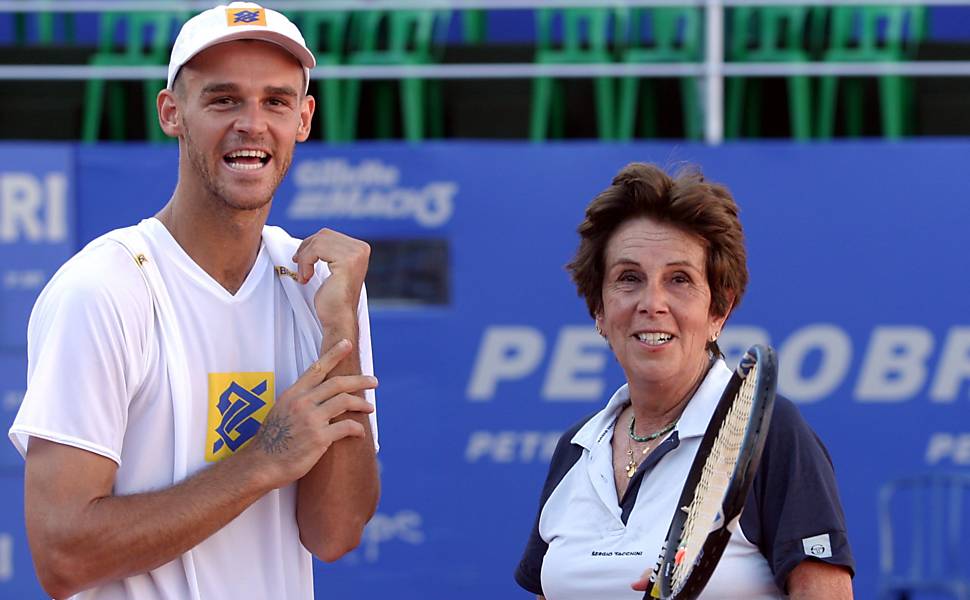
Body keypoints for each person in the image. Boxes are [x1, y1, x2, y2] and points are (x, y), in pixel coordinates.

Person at [9, 3, 379, 599]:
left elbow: (334, 534)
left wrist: (340, 328)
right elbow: (63, 556)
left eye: (276, 102)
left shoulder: (319, 285)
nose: (252, 124)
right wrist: (265, 458)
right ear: (171, 112)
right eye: (224, 100)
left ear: (305, 118)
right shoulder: (102, 288)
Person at [514, 163, 854, 599]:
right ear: (598, 310)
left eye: (680, 280)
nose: (652, 303)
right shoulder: (576, 449)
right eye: (629, 278)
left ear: (719, 312)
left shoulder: (768, 431)